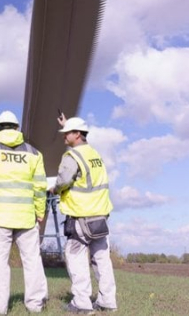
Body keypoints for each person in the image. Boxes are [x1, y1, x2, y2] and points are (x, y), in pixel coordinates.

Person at [0, 110, 49, 314]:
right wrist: (40, 211)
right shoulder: (34, 153)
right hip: (27, 217)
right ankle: (35, 304)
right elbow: (40, 186)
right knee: (32, 260)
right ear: (17, 128)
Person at [50, 115, 117, 314]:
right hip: (100, 217)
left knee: (76, 258)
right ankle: (107, 301)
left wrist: (54, 189)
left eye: (66, 134)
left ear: (77, 135)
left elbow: (63, 181)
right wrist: (66, 125)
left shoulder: (72, 157)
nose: (63, 137)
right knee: (102, 260)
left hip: (80, 217)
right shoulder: (94, 155)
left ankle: (82, 304)